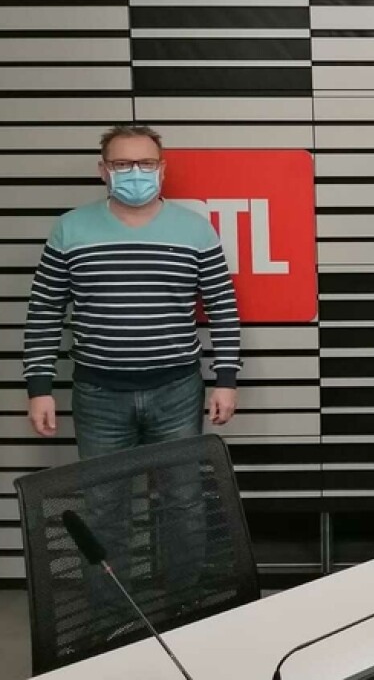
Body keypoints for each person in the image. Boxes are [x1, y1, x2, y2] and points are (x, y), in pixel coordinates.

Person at [22, 124, 241, 596]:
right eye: (122, 164)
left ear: (162, 168)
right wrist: (39, 387)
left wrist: (226, 378)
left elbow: (222, 307)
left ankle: (186, 604)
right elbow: (44, 311)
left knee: (185, 503)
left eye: (145, 163)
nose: (134, 173)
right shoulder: (70, 229)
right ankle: (112, 616)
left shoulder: (195, 230)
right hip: (98, 394)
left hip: (177, 390)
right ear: (103, 170)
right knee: (104, 509)